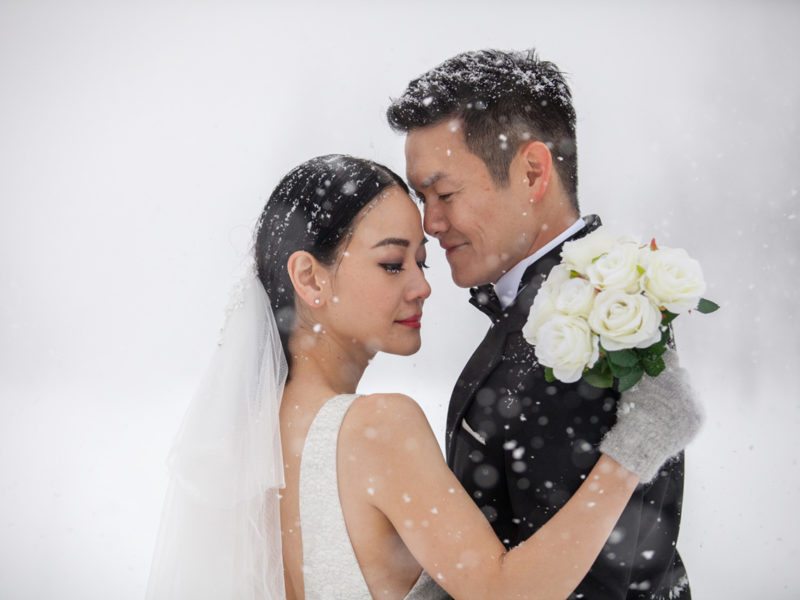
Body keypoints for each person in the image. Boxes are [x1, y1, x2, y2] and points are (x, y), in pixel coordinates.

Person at [146, 154, 702, 599]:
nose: (421, 287)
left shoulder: (257, 437)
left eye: (422, 262)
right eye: (393, 263)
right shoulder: (375, 429)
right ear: (309, 278)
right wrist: (632, 454)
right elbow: (508, 594)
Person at [387, 49, 694, 599]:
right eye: (422, 198)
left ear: (532, 172)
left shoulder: (583, 328)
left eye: (445, 193)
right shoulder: (546, 305)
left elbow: (586, 578)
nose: (430, 223)